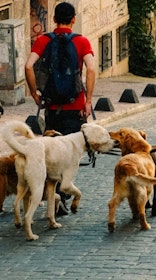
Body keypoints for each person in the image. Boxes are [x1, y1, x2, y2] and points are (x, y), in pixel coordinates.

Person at [24, 2, 96, 215]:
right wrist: (88, 100)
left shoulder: (44, 40)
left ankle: (54, 196)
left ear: (54, 19)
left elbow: (28, 66)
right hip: (75, 106)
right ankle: (63, 195)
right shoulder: (81, 41)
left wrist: (35, 93)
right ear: (73, 19)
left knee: (53, 154)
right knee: (70, 156)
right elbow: (91, 69)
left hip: (53, 107)